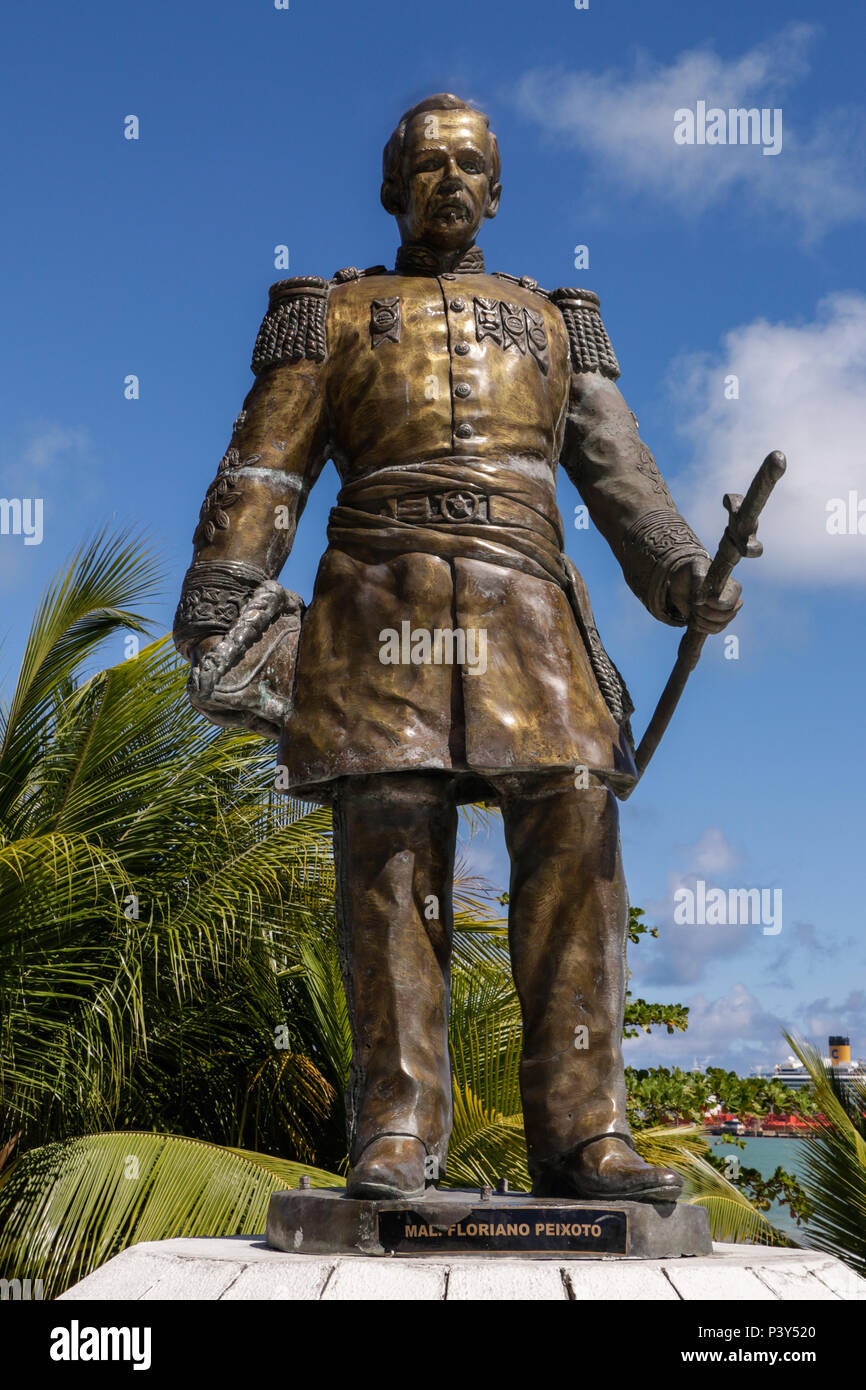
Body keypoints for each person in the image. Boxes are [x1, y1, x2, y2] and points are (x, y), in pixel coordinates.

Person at [173, 93, 741, 1202]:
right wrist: (219, 604)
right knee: (388, 855)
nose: (447, 180)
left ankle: (584, 1136)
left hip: (527, 608)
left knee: (576, 816)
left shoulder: (551, 318)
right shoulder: (328, 314)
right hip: (374, 605)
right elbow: (264, 473)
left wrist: (680, 574)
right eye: (426, 163)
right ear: (391, 186)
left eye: (468, 164)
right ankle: (393, 1129)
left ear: (494, 187)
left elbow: (621, 475)